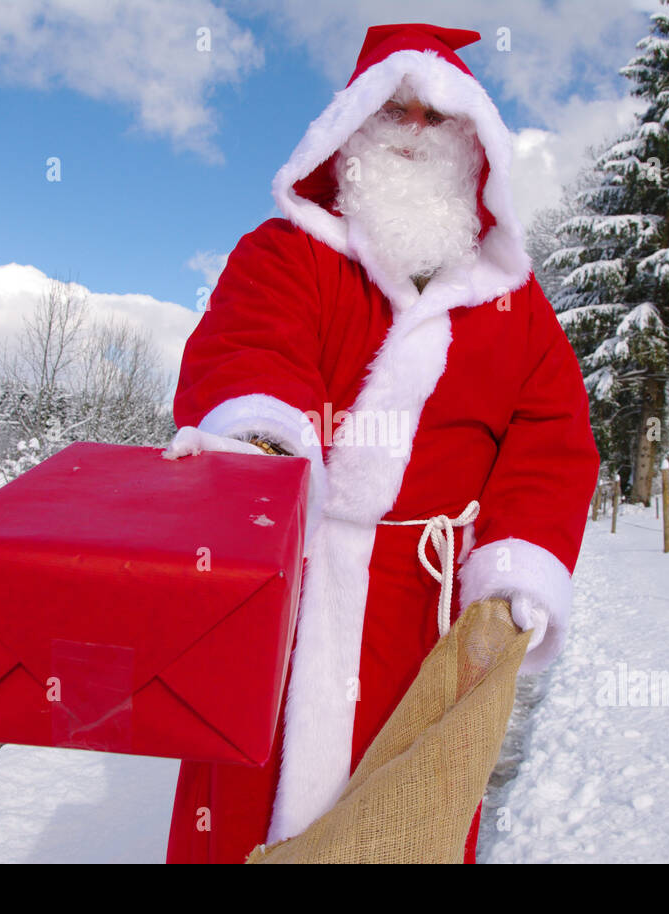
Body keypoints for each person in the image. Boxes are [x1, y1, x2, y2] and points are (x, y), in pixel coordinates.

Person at [162, 22, 599, 864]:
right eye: (391, 110)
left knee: (412, 807)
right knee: (248, 803)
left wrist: (515, 570)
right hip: (284, 587)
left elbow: (555, 434)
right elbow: (248, 346)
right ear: (349, 131)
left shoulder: (518, 306)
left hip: (428, 612)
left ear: (475, 147)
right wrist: (260, 443)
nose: (412, 130)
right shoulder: (288, 254)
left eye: (436, 116)